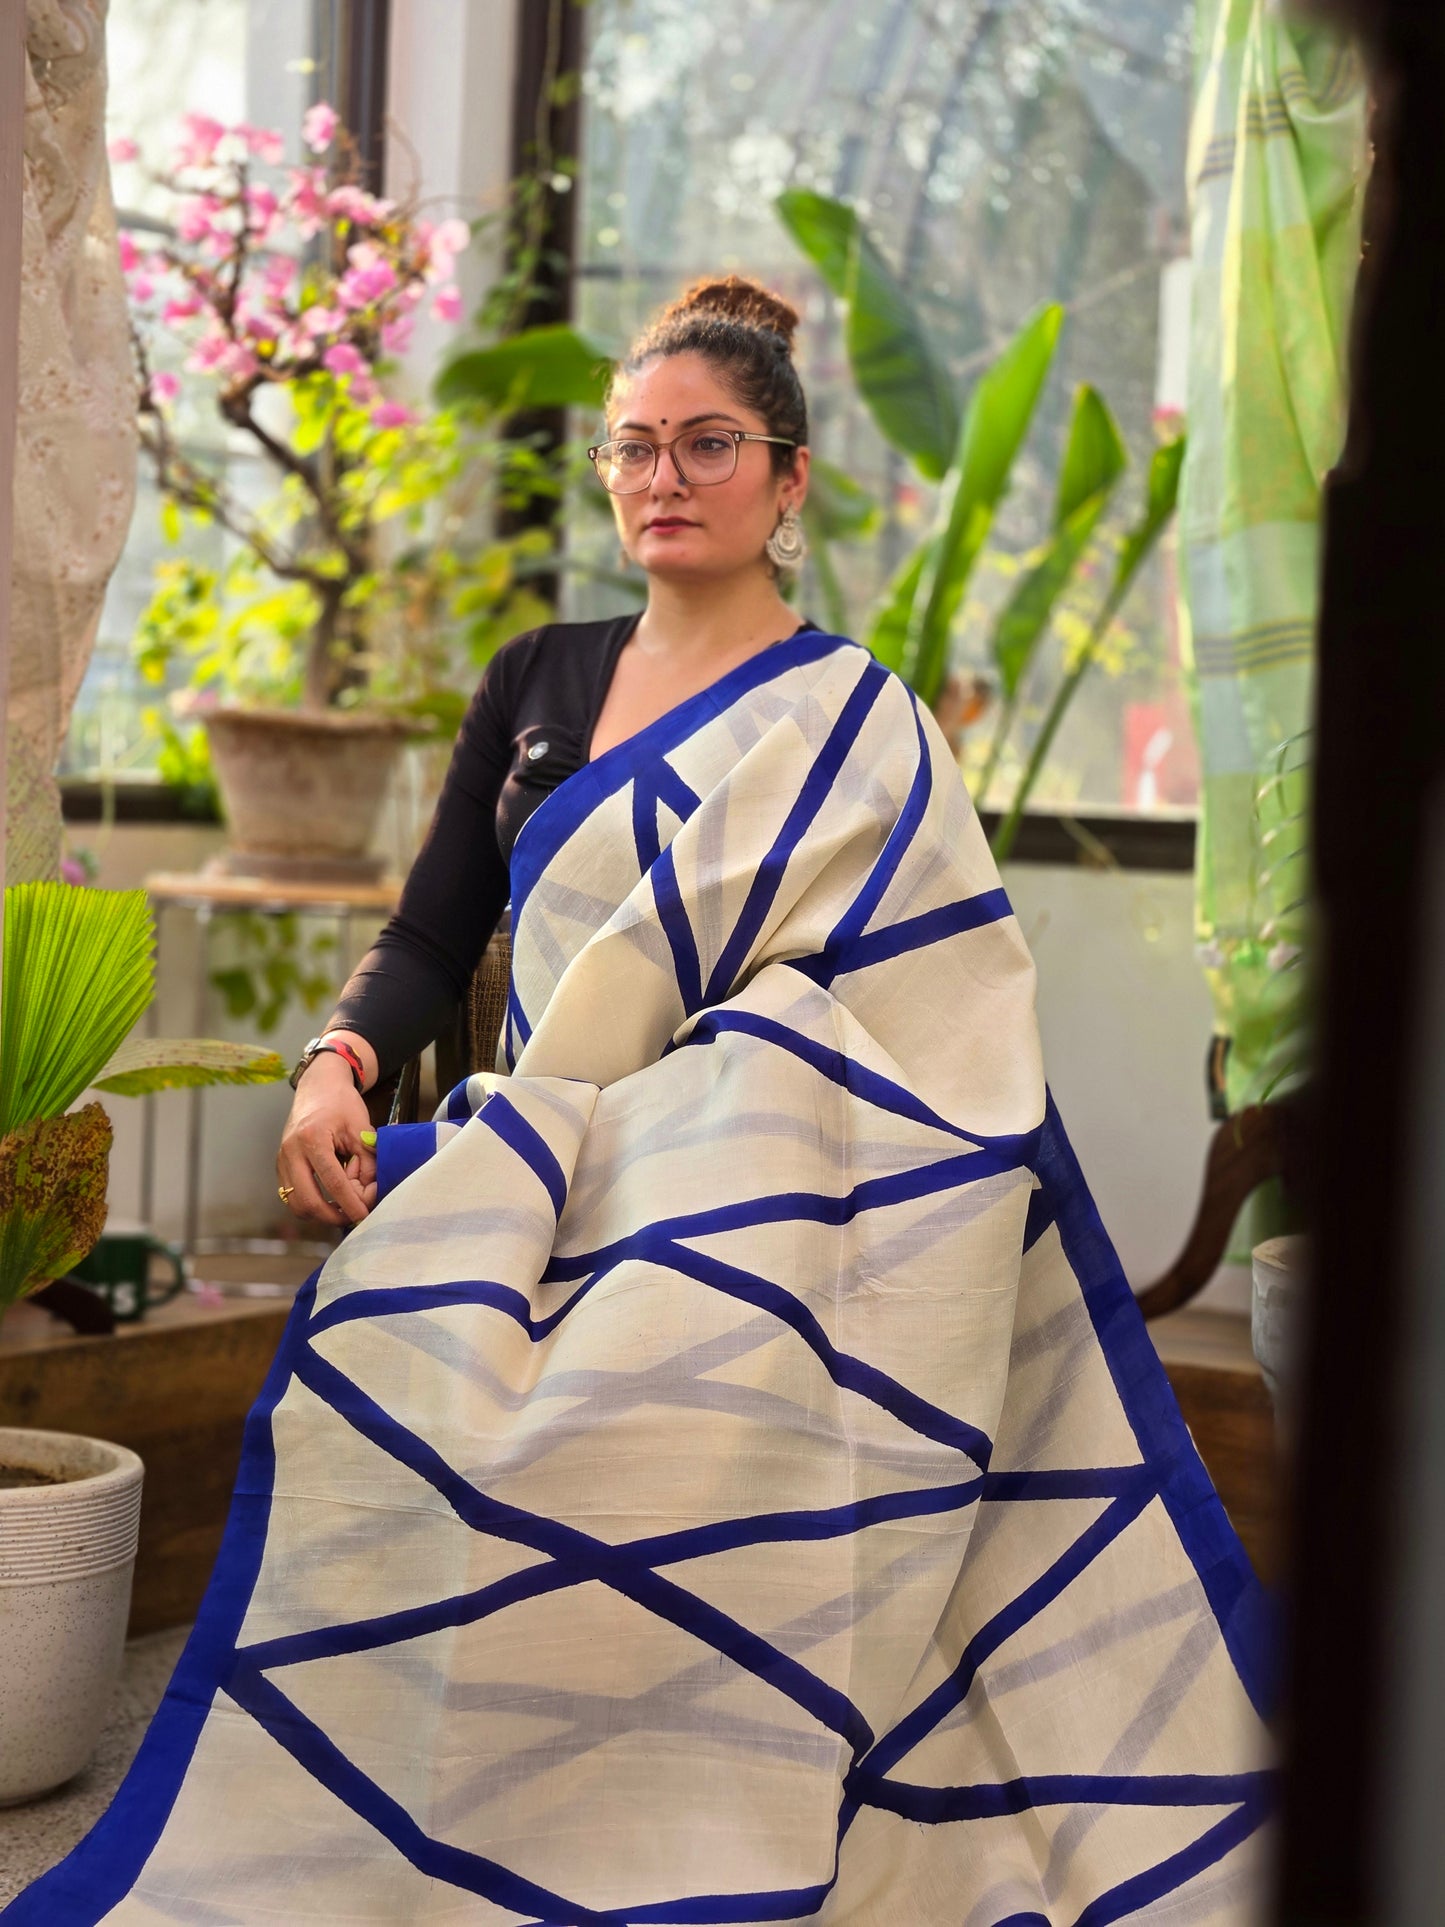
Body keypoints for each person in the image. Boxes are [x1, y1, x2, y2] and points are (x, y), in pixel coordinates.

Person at [13, 278, 1272, 1925]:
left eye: (707, 445)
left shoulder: (855, 715)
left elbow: (928, 1000)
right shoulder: (540, 674)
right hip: (543, 1152)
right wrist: (332, 1058)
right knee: (433, 1350)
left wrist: (728, 1108)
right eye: (634, 448)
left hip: (768, 1169)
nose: (662, 476)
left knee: (698, 1346)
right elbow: (430, 930)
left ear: (788, 476)